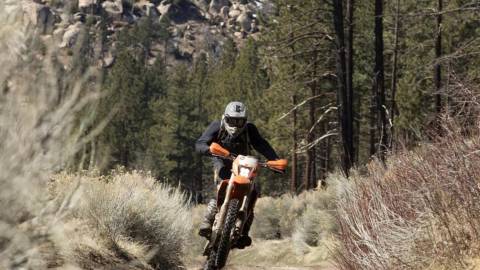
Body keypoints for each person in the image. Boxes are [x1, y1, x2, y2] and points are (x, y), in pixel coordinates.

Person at [195, 101, 282, 249]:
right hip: (222, 160)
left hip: (244, 163)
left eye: (240, 121)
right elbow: (200, 143)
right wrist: (209, 149)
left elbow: (261, 144)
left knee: (252, 191)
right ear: (225, 118)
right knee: (223, 182)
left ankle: (243, 232)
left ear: (245, 120)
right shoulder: (217, 126)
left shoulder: (249, 129)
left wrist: (274, 160)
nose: (235, 125)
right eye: (232, 120)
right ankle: (208, 221)